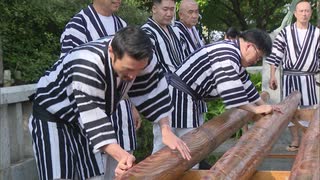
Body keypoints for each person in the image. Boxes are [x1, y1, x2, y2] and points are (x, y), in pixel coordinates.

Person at [28, 27, 191, 180]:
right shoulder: (87, 64)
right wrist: (123, 156)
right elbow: (94, 118)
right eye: (128, 70)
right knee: (59, 175)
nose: (133, 76)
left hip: (83, 122)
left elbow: (154, 90)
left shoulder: (144, 57)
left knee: (92, 175)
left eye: (138, 71)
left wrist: (166, 129)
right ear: (112, 51)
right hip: (52, 115)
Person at [59, 1, 140, 178]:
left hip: (121, 110)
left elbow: (133, 71)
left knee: (124, 170)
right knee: (95, 172)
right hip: (90, 111)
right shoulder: (77, 26)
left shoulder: (123, 26)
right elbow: (71, 75)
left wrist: (132, 105)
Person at [167, 29, 282, 141]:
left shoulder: (233, 51)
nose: (256, 61)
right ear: (249, 46)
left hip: (186, 96)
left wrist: (264, 105)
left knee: (184, 144)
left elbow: (246, 85)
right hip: (179, 96)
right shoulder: (228, 55)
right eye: (258, 56)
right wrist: (255, 109)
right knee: (187, 144)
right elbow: (233, 94)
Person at [266, 0, 319, 152]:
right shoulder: (286, 32)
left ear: (311, 13)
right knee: (289, 109)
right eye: (301, 11)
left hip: (308, 78)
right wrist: (272, 76)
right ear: (295, 13)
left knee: (309, 110)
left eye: (307, 11)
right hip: (289, 77)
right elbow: (276, 54)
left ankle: (308, 140)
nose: (304, 14)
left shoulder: (317, 33)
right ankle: (295, 139)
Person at [141, 0, 187, 154]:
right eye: (165, 9)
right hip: (162, 94)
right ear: (154, 8)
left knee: (188, 141)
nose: (169, 13)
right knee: (162, 145)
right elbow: (147, 69)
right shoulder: (146, 32)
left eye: (172, 9)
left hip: (184, 95)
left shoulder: (175, 31)